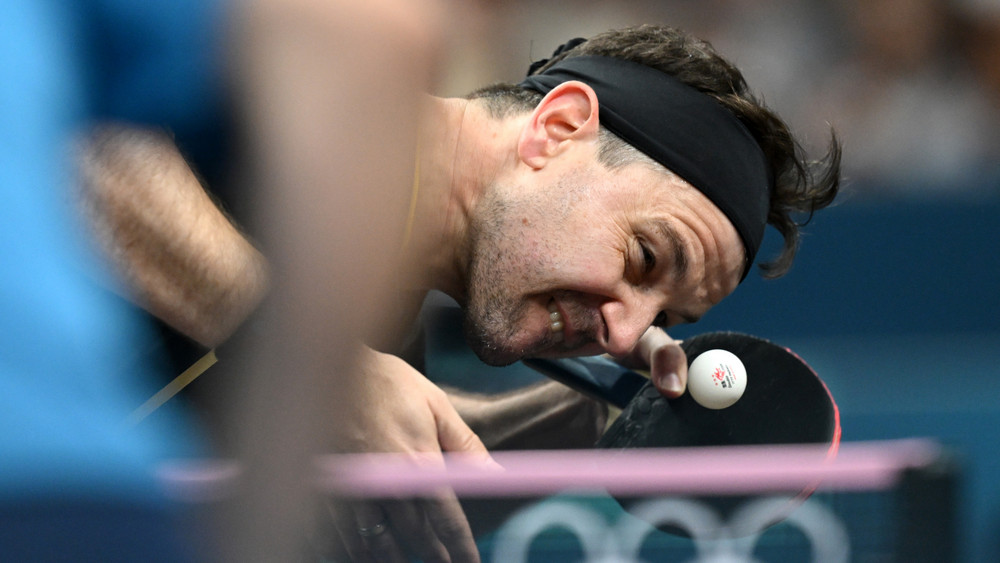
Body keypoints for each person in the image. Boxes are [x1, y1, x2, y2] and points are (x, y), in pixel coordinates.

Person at [78, 23, 841, 562]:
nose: (624, 332)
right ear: (559, 127)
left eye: (666, 318)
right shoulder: (316, 75)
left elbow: (400, 459)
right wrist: (327, 371)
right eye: (643, 257)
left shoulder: (372, 303)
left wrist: (596, 417)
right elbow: (66, 137)